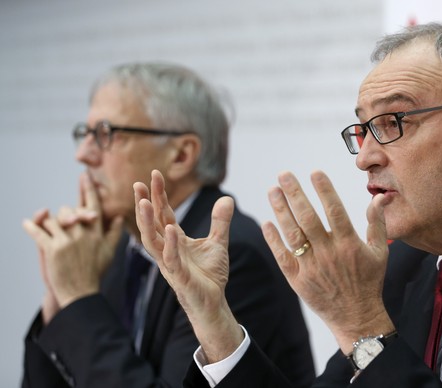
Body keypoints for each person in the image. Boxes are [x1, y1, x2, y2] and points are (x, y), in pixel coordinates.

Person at [135, 23, 442, 388]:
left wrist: (360, 324)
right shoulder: (407, 266)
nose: (365, 156)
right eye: (363, 130)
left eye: (393, 122)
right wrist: (214, 320)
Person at [21, 62, 315, 388]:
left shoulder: (230, 255)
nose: (83, 154)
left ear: (181, 156)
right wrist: (58, 296)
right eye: (85, 134)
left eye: (105, 134)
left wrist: (79, 298)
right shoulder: (120, 245)